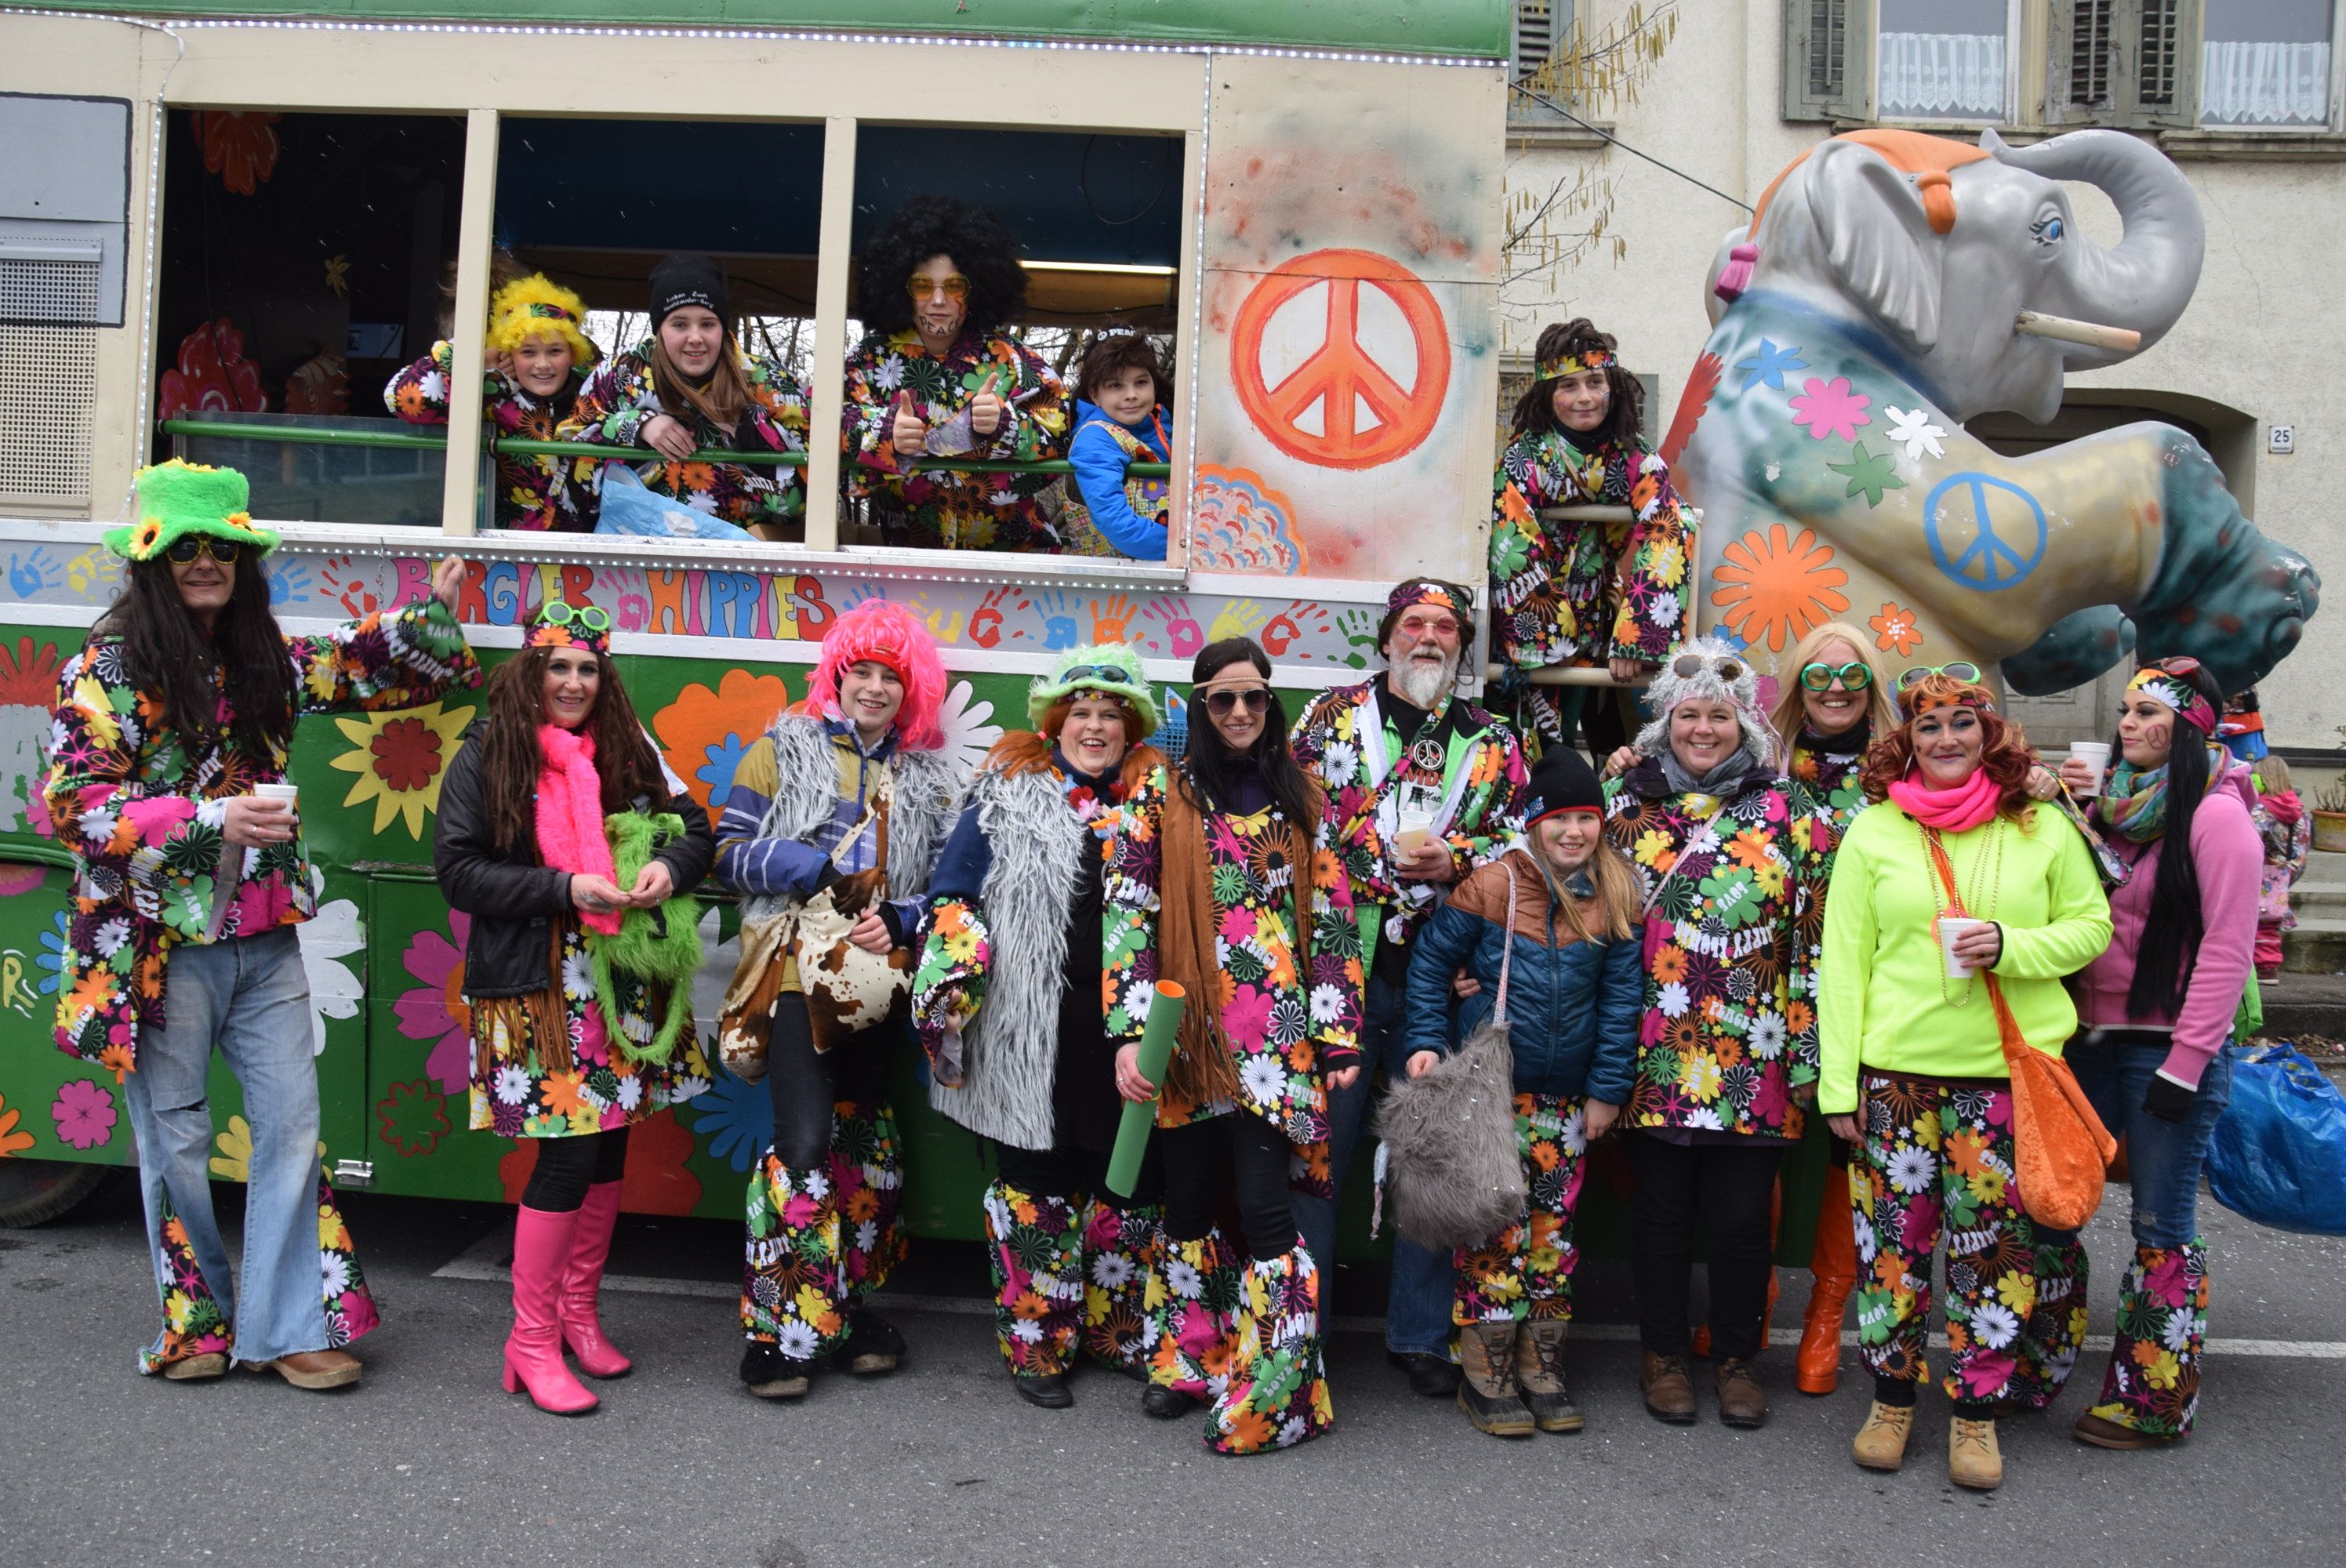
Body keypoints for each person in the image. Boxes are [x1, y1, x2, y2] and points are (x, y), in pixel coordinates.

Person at [45, 459, 478, 1387]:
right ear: (151, 561)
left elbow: (350, 664)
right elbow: (75, 804)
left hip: (266, 932)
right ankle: (196, 1323)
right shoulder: (106, 668)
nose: (206, 562)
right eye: (187, 548)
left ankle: (285, 1328)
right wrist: (212, 818)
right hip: (158, 947)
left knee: (289, 1128)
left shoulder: (260, 654)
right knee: (176, 1143)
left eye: (223, 547)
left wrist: (429, 617)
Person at [1820, 669, 2112, 1490]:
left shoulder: (2039, 824)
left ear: (1990, 733)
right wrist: (1838, 1086)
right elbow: (1842, 963)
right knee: (1892, 1251)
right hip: (1894, 1079)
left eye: (1962, 722)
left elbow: (2092, 925)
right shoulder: (1873, 829)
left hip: (2003, 1081)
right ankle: (1890, 1401)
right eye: (1928, 726)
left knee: (1994, 1257)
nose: (1945, 738)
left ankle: (1977, 1412)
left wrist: (2011, 945)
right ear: (1906, 741)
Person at [433, 600, 716, 1415]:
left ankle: (576, 1315)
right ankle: (530, 1340)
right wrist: (563, 887)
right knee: (566, 1155)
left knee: (610, 1148)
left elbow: (695, 831)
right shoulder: (488, 752)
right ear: (529, 671)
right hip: (537, 985)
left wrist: (669, 867)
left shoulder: (629, 746)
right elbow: (458, 871)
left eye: (588, 668)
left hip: (617, 982)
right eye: (558, 666)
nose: (573, 682)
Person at [1104, 637, 1366, 1454]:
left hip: (1275, 1043)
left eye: (1254, 697)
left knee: (1263, 1207)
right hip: (1183, 1038)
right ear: (1201, 706)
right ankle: (1190, 1359)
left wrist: (1337, 1035)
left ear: (1270, 704)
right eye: (1224, 699)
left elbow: (1333, 917)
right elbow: (1128, 907)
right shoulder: (1160, 794)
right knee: (1186, 1202)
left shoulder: (1303, 797)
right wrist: (1130, 1033)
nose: (1241, 712)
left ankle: (1278, 1387)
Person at [1287, 579, 1527, 1395]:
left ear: (1462, 645)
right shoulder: (1327, 720)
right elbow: (1287, 828)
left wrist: (1459, 861)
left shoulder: (1494, 740)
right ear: (1387, 638)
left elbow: (1522, 847)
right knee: (1317, 1155)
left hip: (1439, 979)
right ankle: (1301, 1333)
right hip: (1338, 974)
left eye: (1446, 627)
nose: (1429, 637)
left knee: (1434, 1156)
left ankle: (1420, 1336)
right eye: (1414, 624)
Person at [718, 599, 963, 1401]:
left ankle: (845, 1311)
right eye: (861, 671)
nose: (874, 688)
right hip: (796, 969)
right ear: (837, 674)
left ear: (911, 690)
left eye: (892, 676)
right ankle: (778, 1334)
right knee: (803, 1137)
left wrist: (903, 917)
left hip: (877, 982)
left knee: (857, 1139)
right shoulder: (781, 748)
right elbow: (727, 852)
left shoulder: (927, 779)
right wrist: (809, 868)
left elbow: (948, 889)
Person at [913, 644, 1168, 1408]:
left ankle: (1116, 1331)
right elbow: (952, 889)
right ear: (1056, 721)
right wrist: (953, 952)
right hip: (1029, 1031)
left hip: (1127, 1032)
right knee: (1037, 1185)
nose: (1095, 726)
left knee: (1128, 1186)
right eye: (1080, 711)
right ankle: (1038, 1345)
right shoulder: (1006, 793)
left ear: (1131, 728)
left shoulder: (1159, 803)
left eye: (1110, 714)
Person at [2032, 659, 2261, 1449]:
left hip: (2167, 1050)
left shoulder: (2218, 819)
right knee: (2048, 1208)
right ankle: (2030, 1366)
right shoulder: (2110, 804)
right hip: (2085, 1043)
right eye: (2126, 710)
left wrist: (2186, 1065)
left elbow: (2227, 951)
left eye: (2148, 713)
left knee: (2161, 1224)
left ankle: (2152, 1404)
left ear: (2190, 729)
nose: (2128, 723)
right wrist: (2068, 811)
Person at [1600, 637, 1809, 1431]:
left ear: (1743, 725)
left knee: (1742, 1219)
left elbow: (1817, 931)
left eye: (1720, 717)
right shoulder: (1625, 806)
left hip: (1756, 1050)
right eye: (1689, 715)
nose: (1703, 730)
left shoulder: (1790, 812)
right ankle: (1661, 1354)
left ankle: (1736, 1358)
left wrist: (1809, 1050)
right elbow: (1572, 898)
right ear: (1665, 720)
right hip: (1654, 1045)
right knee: (1660, 1216)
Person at [1401, 746, 1640, 1436]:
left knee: (1552, 1234)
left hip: (1566, 1102)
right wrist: (1425, 1039)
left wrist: (1606, 1089)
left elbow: (1622, 1001)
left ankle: (1542, 1362)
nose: (1573, 831)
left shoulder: (1615, 893)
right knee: (1493, 1229)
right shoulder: (1493, 886)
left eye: (1586, 818)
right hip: (1492, 1098)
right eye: (1559, 818)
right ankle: (1488, 1365)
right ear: (1534, 821)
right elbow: (1431, 964)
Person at [1488, 318, 1694, 753]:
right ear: (1549, 394)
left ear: (1612, 387)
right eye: (1568, 385)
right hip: (1538, 631)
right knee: (1533, 747)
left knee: (1599, 744)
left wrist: (1636, 637)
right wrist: (1548, 638)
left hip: (1600, 621)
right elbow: (1511, 544)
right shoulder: (1525, 459)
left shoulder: (1635, 457)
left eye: (1595, 382)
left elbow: (1670, 527)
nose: (1584, 397)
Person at [843, 196, 1070, 551]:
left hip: (1015, 557)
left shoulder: (1012, 358)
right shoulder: (868, 361)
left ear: (975, 289)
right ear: (901, 289)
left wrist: (1004, 425)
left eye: (954, 286)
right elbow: (825, 430)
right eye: (922, 285)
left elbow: (1061, 433)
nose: (938, 300)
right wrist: (885, 434)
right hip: (910, 561)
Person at [560, 254, 808, 539]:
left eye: (708, 324)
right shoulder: (621, 372)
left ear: (722, 326)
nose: (695, 338)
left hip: (739, 552)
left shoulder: (769, 380)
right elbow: (571, 443)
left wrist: (747, 428)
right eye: (679, 324)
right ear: (659, 329)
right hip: (637, 548)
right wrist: (638, 426)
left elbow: (806, 496)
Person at [384, 271, 599, 531]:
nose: (543, 364)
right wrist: (477, 358)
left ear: (573, 352)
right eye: (528, 352)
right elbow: (401, 399)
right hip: (503, 544)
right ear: (508, 354)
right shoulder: (494, 396)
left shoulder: (597, 392)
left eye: (555, 351)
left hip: (587, 547)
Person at [1059, 333, 1171, 559]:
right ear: (1095, 395)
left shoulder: (1164, 427)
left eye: (1141, 382)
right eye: (1115, 385)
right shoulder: (1095, 438)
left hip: (1163, 564)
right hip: (1119, 571)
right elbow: (1115, 520)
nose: (1131, 395)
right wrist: (1186, 547)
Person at [2247, 753, 2307, 982]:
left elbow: (2248, 842)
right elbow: (2301, 850)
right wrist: (2288, 873)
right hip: (2282, 874)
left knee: (2254, 921)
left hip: (2258, 873)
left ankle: (2262, 967)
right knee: (2270, 922)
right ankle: (2269, 966)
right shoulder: (2300, 814)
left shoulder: (2259, 812)